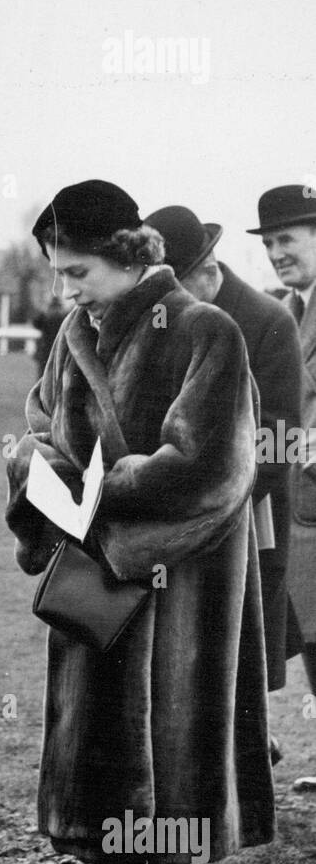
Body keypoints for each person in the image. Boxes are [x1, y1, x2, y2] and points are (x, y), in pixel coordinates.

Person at [5, 180, 273, 864]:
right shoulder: (73, 336)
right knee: (132, 782)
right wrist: (32, 471)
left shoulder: (205, 332)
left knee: (136, 784)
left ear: (129, 254)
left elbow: (215, 471)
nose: (65, 291)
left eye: (77, 271)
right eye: (55, 275)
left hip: (177, 594)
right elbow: (45, 426)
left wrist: (104, 503)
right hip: (101, 596)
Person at [145, 205, 303, 741]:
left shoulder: (267, 322)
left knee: (240, 643)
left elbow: (278, 441)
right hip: (180, 511)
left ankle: (245, 752)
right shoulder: (173, 317)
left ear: (208, 269)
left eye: (176, 284)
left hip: (251, 515)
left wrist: (208, 486)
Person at [249, 185, 316, 787]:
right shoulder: (289, 312)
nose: (276, 252)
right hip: (297, 506)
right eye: (269, 242)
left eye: (287, 239)